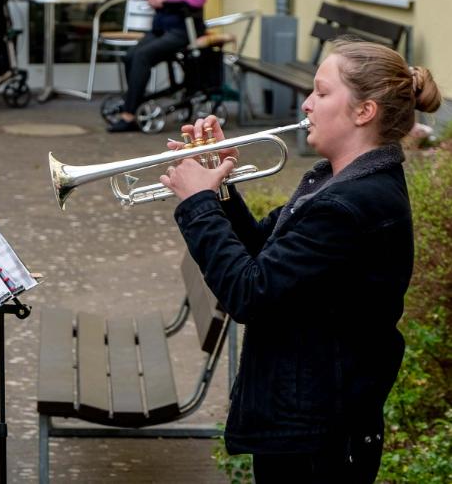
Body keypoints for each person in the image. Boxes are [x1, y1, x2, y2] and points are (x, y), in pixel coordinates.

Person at [159, 39, 443, 482]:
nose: (307, 104)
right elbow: (261, 252)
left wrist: (198, 204)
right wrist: (218, 187)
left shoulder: (349, 204)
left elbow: (249, 292)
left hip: (318, 434)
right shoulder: (337, 183)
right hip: (309, 418)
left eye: (322, 93)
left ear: (363, 111)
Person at [109, 0, 207, 132]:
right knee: (131, 55)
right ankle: (137, 101)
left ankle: (128, 114)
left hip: (183, 29)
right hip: (160, 27)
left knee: (143, 56)